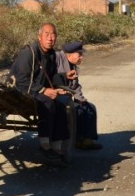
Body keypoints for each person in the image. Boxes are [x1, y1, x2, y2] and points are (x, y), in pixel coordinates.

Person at [11, 23, 71, 165]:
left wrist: (63, 79)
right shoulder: (29, 53)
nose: (51, 38)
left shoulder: (51, 55)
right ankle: (44, 144)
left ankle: (57, 147)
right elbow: (21, 81)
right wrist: (44, 90)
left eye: (53, 34)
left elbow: (50, 77)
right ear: (39, 37)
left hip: (38, 89)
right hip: (22, 90)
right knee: (48, 102)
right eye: (47, 34)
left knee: (61, 103)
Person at [56, 41, 101, 150]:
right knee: (78, 110)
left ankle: (87, 140)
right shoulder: (56, 58)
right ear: (69, 54)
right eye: (79, 54)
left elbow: (76, 86)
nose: (81, 57)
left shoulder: (74, 66)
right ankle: (77, 140)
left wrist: (81, 99)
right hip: (56, 94)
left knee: (89, 107)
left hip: (67, 96)